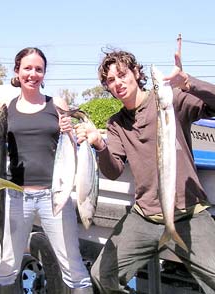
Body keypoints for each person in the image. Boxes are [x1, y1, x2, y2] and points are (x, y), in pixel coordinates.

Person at [74, 42, 215, 293]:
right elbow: (114, 170)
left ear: (137, 74)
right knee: (101, 275)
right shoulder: (116, 123)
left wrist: (188, 81)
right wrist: (99, 144)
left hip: (189, 213)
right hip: (145, 217)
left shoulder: (171, 101)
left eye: (122, 74)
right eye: (110, 80)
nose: (117, 82)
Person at [0, 47, 93, 293]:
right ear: (17, 71)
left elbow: (72, 153)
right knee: (7, 265)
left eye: (38, 69)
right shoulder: (7, 108)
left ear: (44, 74)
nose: (33, 74)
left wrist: (68, 130)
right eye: (27, 68)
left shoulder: (56, 104)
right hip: (15, 196)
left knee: (73, 267)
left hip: (55, 195)